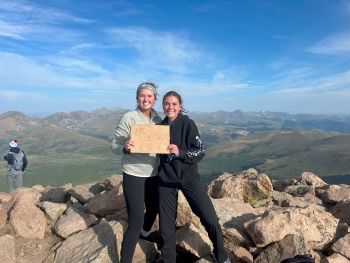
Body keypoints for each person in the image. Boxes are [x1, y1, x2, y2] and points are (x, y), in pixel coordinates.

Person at [157, 91, 231, 263]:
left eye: (174, 104)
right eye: (167, 104)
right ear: (163, 106)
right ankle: (168, 259)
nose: (170, 107)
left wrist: (180, 152)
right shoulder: (159, 128)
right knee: (166, 226)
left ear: (180, 106)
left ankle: (221, 255)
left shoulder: (188, 124)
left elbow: (199, 152)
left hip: (189, 177)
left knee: (210, 219)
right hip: (166, 180)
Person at [110, 81, 162, 263]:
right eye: (142, 95)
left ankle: (146, 234)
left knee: (154, 208)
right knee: (136, 222)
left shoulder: (158, 120)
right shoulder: (129, 117)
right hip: (133, 173)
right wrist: (124, 147)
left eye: (149, 96)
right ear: (137, 98)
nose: (145, 99)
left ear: (154, 100)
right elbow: (114, 144)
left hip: (153, 174)